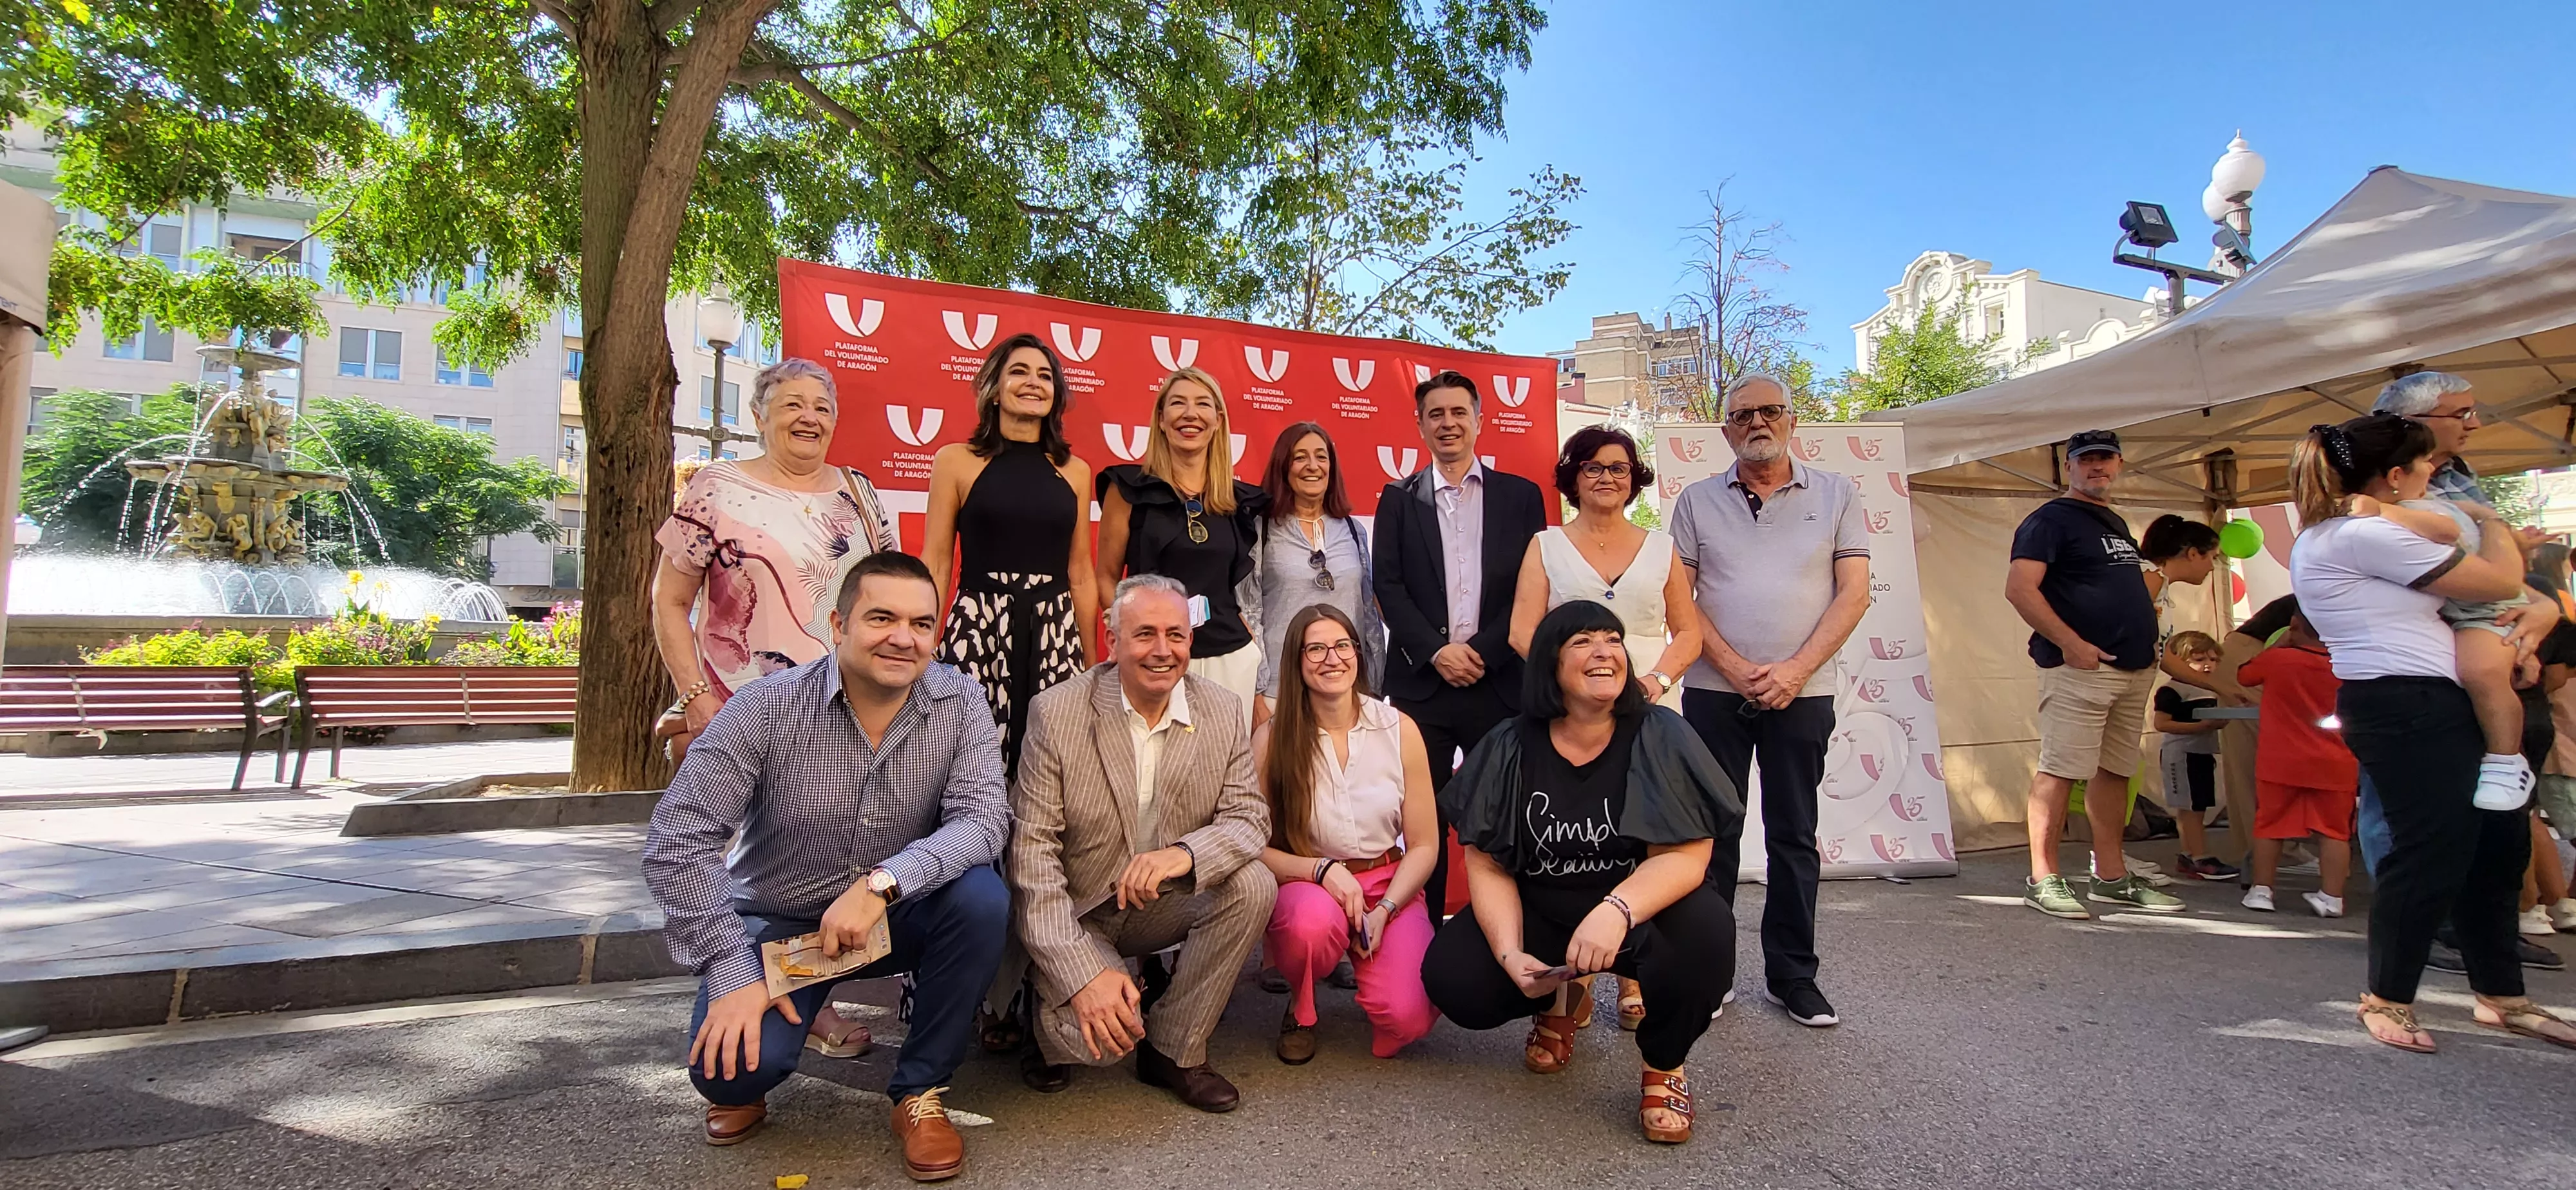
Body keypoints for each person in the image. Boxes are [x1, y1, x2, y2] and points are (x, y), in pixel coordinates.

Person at [640, 551, 1010, 1179]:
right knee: (730, 1076)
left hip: (893, 919)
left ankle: (919, 1092)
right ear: (838, 625)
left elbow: (982, 821)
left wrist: (883, 884)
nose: (903, 638)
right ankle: (762, 1049)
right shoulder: (764, 708)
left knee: (982, 899)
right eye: (882, 618)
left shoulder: (958, 700)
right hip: (787, 928)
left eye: (922, 624)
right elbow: (678, 840)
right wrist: (733, 972)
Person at [2284, 412, 2575, 1052]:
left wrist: (2537, 611)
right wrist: (2491, 519)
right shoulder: (2358, 536)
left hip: (2438, 702)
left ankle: (2501, 996)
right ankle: (2386, 997)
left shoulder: (2370, 531)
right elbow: (2499, 580)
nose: (2433, 478)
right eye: (2425, 468)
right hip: (2402, 705)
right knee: (2431, 851)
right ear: (2394, 476)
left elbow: (2505, 599)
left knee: (2495, 849)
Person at [1420, 600, 1743, 1144]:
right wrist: (1509, 953)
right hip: (1547, 910)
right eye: (1583, 641)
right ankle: (1561, 997)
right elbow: (1488, 861)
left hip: (1642, 911)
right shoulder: (1510, 744)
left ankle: (1664, 1065)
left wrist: (1616, 910)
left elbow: (1689, 854)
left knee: (1707, 937)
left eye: (1612, 639)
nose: (1604, 651)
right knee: (1456, 980)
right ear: (1550, 664)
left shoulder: (1660, 733)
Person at [1006, 575, 1278, 1110]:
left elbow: (1250, 819)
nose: (1162, 651)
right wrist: (1083, 976)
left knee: (1254, 883)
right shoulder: (1058, 712)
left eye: (1175, 635)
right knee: (1097, 1046)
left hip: (1163, 899)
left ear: (1190, 641)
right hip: (1082, 910)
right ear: (1114, 642)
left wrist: (1185, 855)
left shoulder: (1222, 710)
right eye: (1145, 634)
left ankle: (1175, 1047)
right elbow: (1031, 858)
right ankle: (1042, 1000)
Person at [1662, 374, 1871, 1026]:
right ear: (1725, 429)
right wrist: (1734, 666)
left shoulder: (1838, 494)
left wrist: (1794, 671)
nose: (1757, 422)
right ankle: (1713, 968)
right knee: (1713, 834)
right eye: (1743, 414)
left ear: (1791, 420)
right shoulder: (1696, 501)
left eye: (1770, 411)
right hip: (1713, 693)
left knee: (1792, 835)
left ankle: (1792, 977)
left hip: (1803, 694)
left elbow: (1854, 594)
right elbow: (1680, 602)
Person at [653, 357, 900, 760]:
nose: (810, 417)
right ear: (758, 417)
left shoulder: (859, 492)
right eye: (792, 405)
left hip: (852, 716)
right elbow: (669, 600)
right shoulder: (716, 487)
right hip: (739, 715)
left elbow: (891, 599)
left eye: (822, 408)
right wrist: (695, 697)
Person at [1373, 369, 1549, 916]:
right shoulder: (1398, 499)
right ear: (1420, 426)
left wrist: (1483, 653)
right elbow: (1389, 586)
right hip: (1422, 689)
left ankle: (1503, 932)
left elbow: (1531, 586)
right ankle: (1421, 936)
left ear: (1479, 421)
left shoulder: (1521, 497)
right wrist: (1437, 652)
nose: (1447, 424)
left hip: (1498, 685)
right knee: (1422, 821)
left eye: (1458, 413)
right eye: (1436, 415)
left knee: (1503, 815)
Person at [2002, 429, 2187, 919]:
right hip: (2080, 668)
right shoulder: (2049, 521)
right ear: (2069, 467)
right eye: (2086, 461)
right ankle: (2042, 877)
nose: (2096, 468)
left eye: (2106, 460)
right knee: (2060, 769)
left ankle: (2111, 877)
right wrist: (2071, 644)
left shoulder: (2113, 521)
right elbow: (2020, 589)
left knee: (2117, 772)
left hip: (2131, 669)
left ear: (2121, 464)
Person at [1253, 605, 1441, 1062]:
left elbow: (1425, 845)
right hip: (1309, 884)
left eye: (1342, 646)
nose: (1331, 658)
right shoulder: (1273, 738)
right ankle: (1301, 1007)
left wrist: (1387, 909)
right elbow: (1249, 844)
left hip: (1385, 884)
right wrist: (1320, 871)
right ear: (1296, 662)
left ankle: (1376, 969)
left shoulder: (1399, 729)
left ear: (1358, 655)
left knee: (1409, 1019)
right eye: (1315, 649)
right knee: (1309, 927)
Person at [920, 333, 1098, 779]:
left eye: (1045, 376)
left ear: (1056, 394)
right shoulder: (955, 461)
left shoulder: (1075, 471)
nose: (1033, 383)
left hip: (1055, 632)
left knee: (1053, 766)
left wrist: (1091, 661)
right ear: (994, 389)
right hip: (978, 625)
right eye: (1019, 371)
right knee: (965, 760)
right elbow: (938, 562)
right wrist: (922, 638)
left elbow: (1080, 571)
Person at [1096, 369, 1267, 727]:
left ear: (1218, 421)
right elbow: (1106, 578)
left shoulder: (1238, 502)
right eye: (1178, 403)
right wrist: (1129, 635)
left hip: (1229, 658)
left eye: (1203, 404)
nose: (1191, 414)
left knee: (1223, 772)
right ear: (1161, 419)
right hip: (1154, 658)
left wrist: (1250, 640)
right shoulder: (1128, 490)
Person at [1249, 422, 1385, 720]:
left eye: (1321, 457)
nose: (1313, 466)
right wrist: (1256, 691)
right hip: (1279, 692)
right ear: (1283, 466)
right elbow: (1249, 613)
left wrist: (1373, 682)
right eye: (1300, 457)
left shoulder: (1354, 531)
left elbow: (1368, 614)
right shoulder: (1260, 531)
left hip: (1346, 687)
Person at [2233, 614, 2356, 917]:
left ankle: (2262, 891)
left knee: (2270, 826)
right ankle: (2332, 896)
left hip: (2281, 759)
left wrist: (2280, 645)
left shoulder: (2279, 659)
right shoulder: (2349, 664)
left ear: (2294, 628)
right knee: (2334, 832)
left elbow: (2244, 676)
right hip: (2336, 760)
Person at [2151, 631, 2241, 882]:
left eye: (2213, 660)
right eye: (2199, 659)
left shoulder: (2209, 691)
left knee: (2198, 806)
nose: (2208, 666)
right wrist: (2200, 727)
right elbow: (2161, 723)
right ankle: (2198, 856)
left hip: (2202, 752)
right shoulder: (2173, 690)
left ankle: (2190, 853)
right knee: (2190, 808)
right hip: (2181, 753)